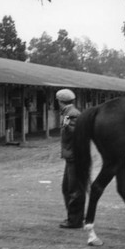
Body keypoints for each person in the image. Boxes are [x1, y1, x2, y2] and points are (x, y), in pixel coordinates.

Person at [56, 89, 85, 229]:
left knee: (74, 189)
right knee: (67, 188)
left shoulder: (72, 114)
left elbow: (76, 134)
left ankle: (75, 221)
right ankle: (76, 217)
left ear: (60, 101)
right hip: (71, 156)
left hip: (75, 156)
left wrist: (67, 128)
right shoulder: (69, 113)